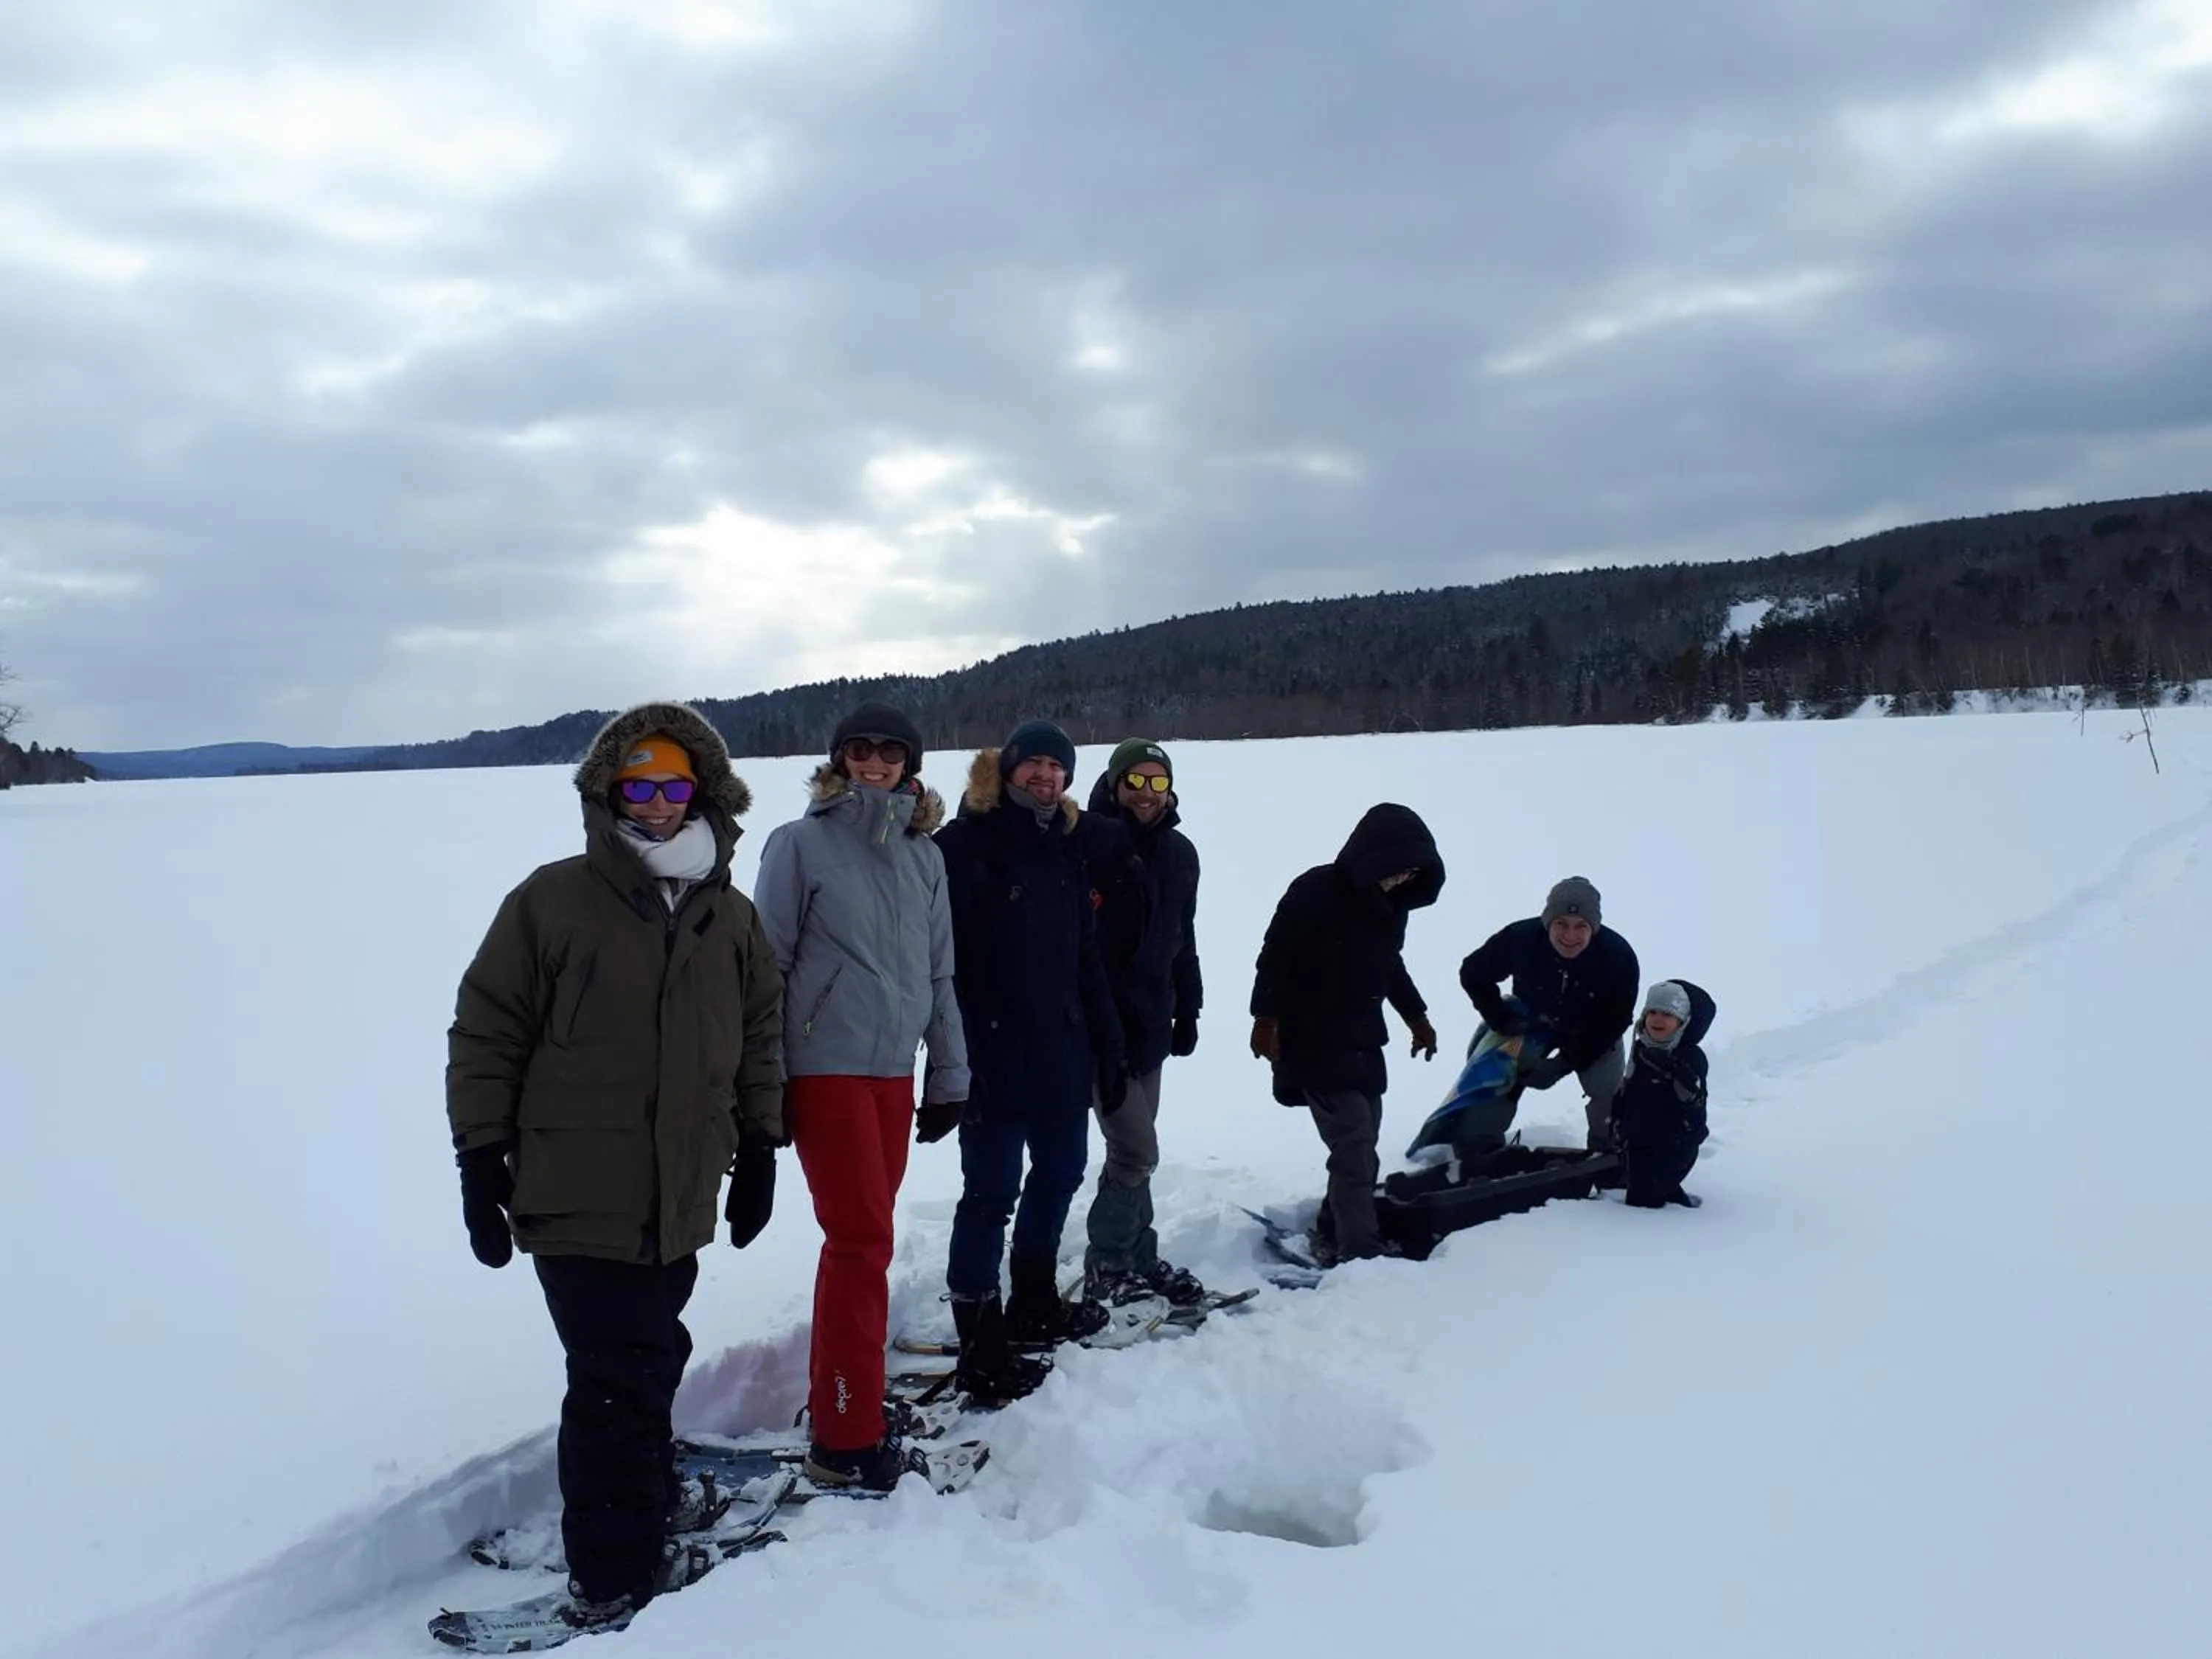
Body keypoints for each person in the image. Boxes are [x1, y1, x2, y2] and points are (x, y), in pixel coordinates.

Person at [446, 703, 783, 1630]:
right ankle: (613, 1573)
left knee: (652, 1350)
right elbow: (486, 1032)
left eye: (675, 785)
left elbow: (758, 1036)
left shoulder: (728, 913)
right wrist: (480, 1159)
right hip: (575, 1190)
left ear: (702, 793)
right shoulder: (552, 900)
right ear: (610, 791)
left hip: (679, 1192)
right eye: (640, 785)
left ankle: (640, 1498)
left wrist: (760, 1145)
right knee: (613, 1375)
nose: (660, 803)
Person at [754, 700, 969, 1490]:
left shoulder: (925, 855)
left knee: (856, 1244)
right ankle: (846, 1438)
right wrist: (767, 1080)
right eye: (860, 750)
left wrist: (950, 1073)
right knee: (861, 1243)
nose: (875, 763)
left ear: (911, 763)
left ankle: (845, 1396)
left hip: (894, 1075)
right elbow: (764, 971)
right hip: (827, 1069)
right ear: (840, 759)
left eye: (890, 752)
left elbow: (941, 972)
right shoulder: (798, 845)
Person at [933, 718, 1126, 1398]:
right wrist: (954, 1061)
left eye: (1057, 767)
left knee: (1063, 1171)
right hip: (991, 1054)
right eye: (1033, 764)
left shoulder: (1064, 848)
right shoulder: (960, 846)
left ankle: (1034, 1300)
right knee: (989, 1196)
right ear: (1007, 770)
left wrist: (1110, 1046)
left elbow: (1087, 957)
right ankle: (980, 1339)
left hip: (1063, 1052)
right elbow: (939, 966)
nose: (1045, 776)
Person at [1250, 804, 1444, 1263]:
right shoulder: (1315, 891)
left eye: (1411, 873)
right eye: (1395, 870)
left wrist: (1417, 1017)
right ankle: (1362, 1254)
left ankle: (1332, 1226)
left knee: (1364, 1141)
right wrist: (1265, 1019)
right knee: (1354, 1143)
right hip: (1311, 1037)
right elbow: (1275, 956)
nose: (1401, 880)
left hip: (1361, 1037)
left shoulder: (1393, 906)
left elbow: (1389, 965)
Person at [1078, 739, 1206, 1306]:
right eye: (1136, 780)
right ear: (1114, 783)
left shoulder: (1180, 853)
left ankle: (1139, 1256)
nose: (1147, 793)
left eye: (1158, 782)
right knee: (1135, 1150)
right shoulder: (1084, 843)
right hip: (1097, 1025)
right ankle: (1107, 1263)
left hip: (1153, 1020)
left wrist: (1189, 1008)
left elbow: (1184, 939)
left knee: (1137, 1149)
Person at [1458, 877, 1640, 1154]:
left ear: (1594, 929)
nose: (1570, 936)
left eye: (1581, 927)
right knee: (1495, 1069)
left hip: (1591, 1030)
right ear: (1547, 923)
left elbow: (1615, 1020)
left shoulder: (1618, 957)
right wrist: (1501, 1020)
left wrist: (1562, 1065)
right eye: (1561, 924)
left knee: (1609, 1090)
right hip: (1531, 1021)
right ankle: (1478, 1144)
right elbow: (1473, 972)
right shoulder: (1522, 938)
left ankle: (1607, 1151)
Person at [1613, 980, 1714, 1208]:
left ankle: (1657, 1234)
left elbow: (1694, 1105)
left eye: (1667, 1015)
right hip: (1639, 1139)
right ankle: (1671, 1196)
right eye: (1653, 1013)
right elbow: (1629, 1087)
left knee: (1643, 1201)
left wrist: (1678, 1074)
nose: (1658, 1019)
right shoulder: (1642, 1049)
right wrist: (1618, 1118)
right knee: (1641, 1183)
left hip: (1673, 1145)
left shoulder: (1690, 1058)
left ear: (1682, 1022)